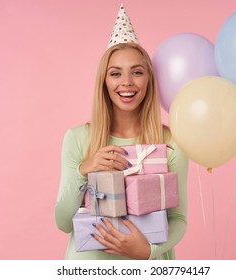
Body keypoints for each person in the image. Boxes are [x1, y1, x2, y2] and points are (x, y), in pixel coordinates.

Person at [54, 5, 188, 260]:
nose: (127, 82)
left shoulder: (170, 143)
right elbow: (63, 222)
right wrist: (84, 170)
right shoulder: (78, 138)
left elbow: (178, 218)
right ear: (104, 82)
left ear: (149, 79)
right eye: (116, 73)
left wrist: (149, 251)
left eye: (137, 72)